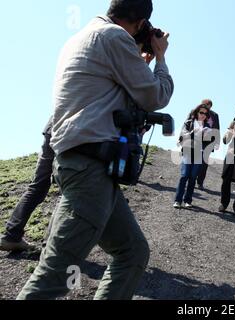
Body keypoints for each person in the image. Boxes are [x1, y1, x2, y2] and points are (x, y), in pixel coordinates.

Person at [17, 0, 174, 300]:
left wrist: (139, 60)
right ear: (141, 23)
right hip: (90, 170)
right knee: (54, 276)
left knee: (133, 251)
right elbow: (155, 95)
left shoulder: (86, 35)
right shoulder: (114, 37)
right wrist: (161, 58)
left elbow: (107, 92)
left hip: (85, 165)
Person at [0, 118, 54, 252]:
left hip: (52, 129)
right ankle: (50, 245)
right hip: (74, 134)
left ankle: (11, 236)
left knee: (37, 186)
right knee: (69, 190)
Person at [174, 104, 212, 209]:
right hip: (187, 151)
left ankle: (188, 201)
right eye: (201, 112)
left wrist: (207, 137)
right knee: (184, 176)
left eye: (205, 113)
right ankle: (177, 200)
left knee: (192, 178)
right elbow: (182, 137)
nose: (203, 115)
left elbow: (209, 142)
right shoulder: (188, 123)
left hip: (199, 154)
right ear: (196, 113)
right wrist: (193, 132)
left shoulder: (207, 126)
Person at [195, 99, 220, 190]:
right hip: (197, 140)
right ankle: (192, 180)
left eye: (205, 104)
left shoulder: (214, 115)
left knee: (204, 163)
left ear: (210, 105)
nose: (202, 105)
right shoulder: (198, 112)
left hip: (208, 142)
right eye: (202, 104)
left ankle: (200, 182)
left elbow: (217, 128)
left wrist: (216, 142)